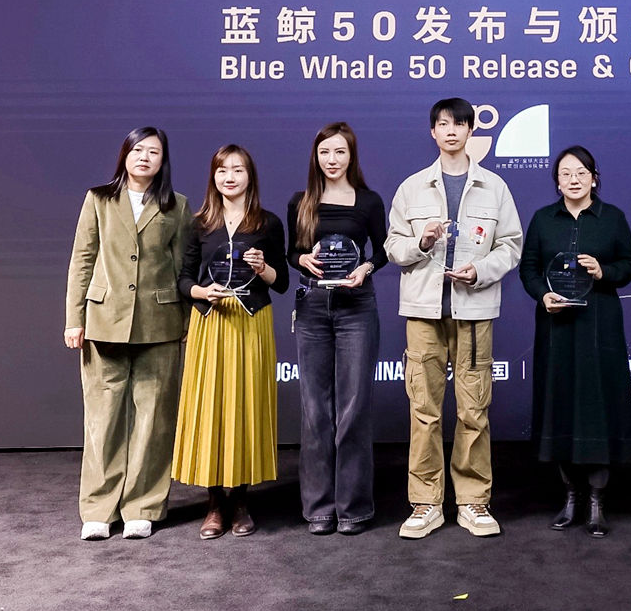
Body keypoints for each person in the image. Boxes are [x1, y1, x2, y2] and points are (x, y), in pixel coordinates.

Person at [384, 98, 524, 539]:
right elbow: (393, 246)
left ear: (469, 131)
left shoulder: (494, 187)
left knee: (473, 410)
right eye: (443, 124)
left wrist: (479, 271)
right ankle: (426, 503)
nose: (450, 131)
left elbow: (511, 245)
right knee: (423, 411)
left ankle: (473, 501)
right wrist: (422, 243)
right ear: (433, 132)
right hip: (424, 312)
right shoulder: (412, 187)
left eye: (459, 124)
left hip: (474, 310)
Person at [64, 126, 192, 541]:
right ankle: (99, 509)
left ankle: (143, 506)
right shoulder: (99, 199)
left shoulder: (177, 205)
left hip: (160, 324)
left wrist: (186, 322)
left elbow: (182, 269)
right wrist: (74, 318)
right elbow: (82, 259)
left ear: (163, 160)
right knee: (103, 420)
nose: (144, 157)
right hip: (104, 321)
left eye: (153, 151)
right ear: (125, 154)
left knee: (153, 420)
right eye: (138, 149)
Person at [519, 146, 631, 537]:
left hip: (599, 325)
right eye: (566, 173)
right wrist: (543, 295)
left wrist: (604, 271)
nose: (574, 179)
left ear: (594, 178)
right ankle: (570, 497)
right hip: (556, 327)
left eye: (581, 172)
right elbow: (528, 269)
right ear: (557, 181)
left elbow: (630, 265)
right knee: (560, 406)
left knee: (598, 407)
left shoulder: (612, 218)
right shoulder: (543, 219)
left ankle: (597, 502)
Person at [172, 145, 289, 539]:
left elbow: (282, 282)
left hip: (251, 322)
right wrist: (202, 293)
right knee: (209, 409)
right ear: (214, 177)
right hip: (210, 321)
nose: (230, 177)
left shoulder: (268, 223)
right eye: (222, 170)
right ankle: (213, 503)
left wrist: (264, 268)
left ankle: (240, 500)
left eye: (238, 170)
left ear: (249, 176)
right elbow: (184, 279)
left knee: (246, 406)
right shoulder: (199, 223)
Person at [286, 122, 388, 536]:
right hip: (312, 308)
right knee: (315, 411)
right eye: (325, 152)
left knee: (353, 409)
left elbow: (382, 250)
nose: (332, 159)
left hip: (356, 307)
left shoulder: (369, 200)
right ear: (316, 156)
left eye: (340, 152)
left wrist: (365, 268)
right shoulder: (301, 201)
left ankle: (354, 509)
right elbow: (292, 252)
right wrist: (301, 260)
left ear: (351, 156)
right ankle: (318, 509)